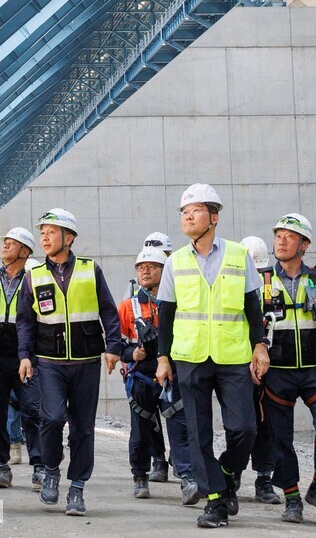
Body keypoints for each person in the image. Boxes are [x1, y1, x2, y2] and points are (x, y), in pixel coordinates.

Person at [155, 184, 269, 529]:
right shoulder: (174, 262)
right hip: (189, 357)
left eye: (196, 210)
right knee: (198, 432)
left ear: (214, 217)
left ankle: (226, 470)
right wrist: (163, 358)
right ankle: (216, 501)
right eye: (184, 211)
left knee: (244, 428)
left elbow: (253, 306)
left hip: (233, 356)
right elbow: (166, 315)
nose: (188, 215)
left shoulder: (238, 255)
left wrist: (259, 345)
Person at [16, 209, 124, 516]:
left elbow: (108, 310)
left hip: (86, 361)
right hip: (48, 362)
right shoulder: (34, 276)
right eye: (43, 233)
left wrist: (114, 346)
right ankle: (51, 468)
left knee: (83, 429)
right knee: (51, 419)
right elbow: (24, 321)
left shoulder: (91, 270)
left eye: (51, 232)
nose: (45, 238)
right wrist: (24, 356)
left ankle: (77, 488)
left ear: (69, 237)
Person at [262, 214, 316, 523]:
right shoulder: (261, 280)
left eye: (289, 236)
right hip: (277, 372)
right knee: (281, 439)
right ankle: (291, 499)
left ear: (304, 244)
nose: (281, 241)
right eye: (278, 236)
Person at [117, 247, 197, 504]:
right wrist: (133, 354)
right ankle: (140, 476)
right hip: (140, 378)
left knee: (180, 428)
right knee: (140, 431)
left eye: (152, 266)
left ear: (165, 271)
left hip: (171, 376)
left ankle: (187, 478)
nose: (145, 271)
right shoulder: (128, 307)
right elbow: (116, 344)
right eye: (141, 267)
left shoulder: (178, 302)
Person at [0, 227, 46, 492]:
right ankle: (2, 467)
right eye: (4, 241)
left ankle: (40, 466)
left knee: (33, 411)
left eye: (12, 243)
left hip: (26, 357)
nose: (5, 246)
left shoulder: (37, 281)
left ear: (25, 251)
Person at [123, 231, 174, 483]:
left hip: (174, 364)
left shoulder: (178, 283)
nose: (148, 269)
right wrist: (130, 355)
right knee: (147, 417)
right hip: (142, 368)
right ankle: (158, 461)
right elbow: (122, 332)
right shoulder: (133, 292)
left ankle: (180, 457)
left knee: (180, 415)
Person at [236, 236, 280, 504]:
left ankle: (264, 478)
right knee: (241, 425)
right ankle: (234, 470)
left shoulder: (274, 287)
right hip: (240, 366)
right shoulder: (232, 288)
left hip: (272, 366)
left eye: (262, 270)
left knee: (267, 423)